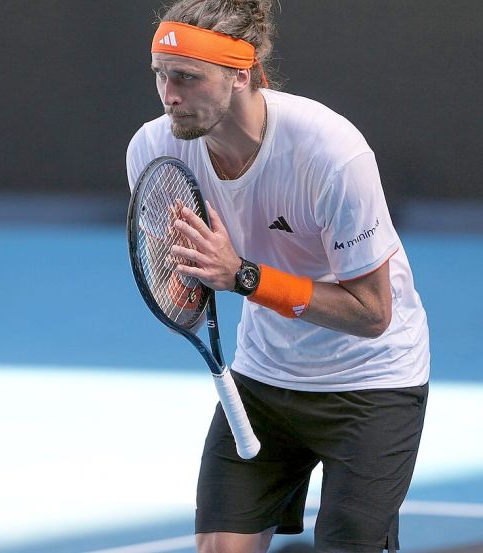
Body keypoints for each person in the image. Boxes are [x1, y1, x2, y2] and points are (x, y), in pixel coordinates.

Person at [126, 1, 430, 552]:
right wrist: (186, 278)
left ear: (240, 74)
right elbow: (180, 282)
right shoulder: (153, 149)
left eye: (188, 78)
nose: (170, 95)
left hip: (371, 385)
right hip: (264, 379)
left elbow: (372, 313)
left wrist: (243, 276)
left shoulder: (330, 152)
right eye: (161, 76)